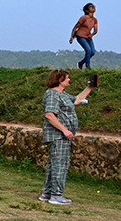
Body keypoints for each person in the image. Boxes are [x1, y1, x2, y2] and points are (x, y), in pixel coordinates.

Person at [40, 69, 93, 205]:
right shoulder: (52, 95)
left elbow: (77, 100)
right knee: (60, 165)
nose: (69, 80)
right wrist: (64, 130)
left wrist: (89, 87)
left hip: (63, 136)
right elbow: (49, 114)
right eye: (67, 78)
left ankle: (47, 193)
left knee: (54, 164)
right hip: (58, 136)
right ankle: (57, 195)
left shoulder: (62, 95)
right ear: (59, 80)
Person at [70, 3, 98, 69]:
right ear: (87, 10)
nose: (93, 7)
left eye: (94, 6)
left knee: (93, 52)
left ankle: (81, 63)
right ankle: (88, 67)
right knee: (88, 50)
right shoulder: (84, 18)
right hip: (80, 36)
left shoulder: (95, 20)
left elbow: (96, 30)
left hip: (88, 37)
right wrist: (72, 37)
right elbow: (75, 27)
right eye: (91, 7)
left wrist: (92, 34)